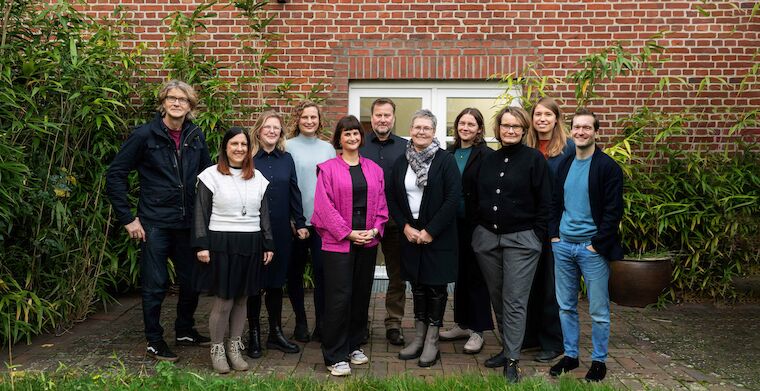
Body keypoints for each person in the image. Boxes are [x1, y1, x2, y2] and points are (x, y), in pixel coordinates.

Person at [106, 80, 211, 362]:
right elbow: (115, 174)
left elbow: (208, 178)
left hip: (188, 221)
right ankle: (154, 340)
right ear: (163, 103)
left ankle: (185, 330)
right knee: (155, 284)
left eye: (183, 100)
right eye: (171, 98)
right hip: (155, 222)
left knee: (191, 281)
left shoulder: (196, 136)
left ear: (190, 106)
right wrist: (128, 219)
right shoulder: (144, 135)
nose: (177, 103)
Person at [471, 106, 551, 382]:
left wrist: (536, 236)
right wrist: (478, 231)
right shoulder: (489, 160)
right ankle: (507, 349)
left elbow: (545, 202)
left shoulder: (534, 160)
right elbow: (476, 196)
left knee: (514, 299)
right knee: (498, 297)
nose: (511, 130)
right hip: (487, 239)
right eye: (506, 126)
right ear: (498, 129)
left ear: (524, 130)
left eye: (516, 127)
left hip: (522, 240)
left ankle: (514, 360)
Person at [548, 108, 624, 382]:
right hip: (564, 246)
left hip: (592, 250)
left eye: (587, 128)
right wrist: (554, 236)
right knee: (566, 306)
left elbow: (614, 212)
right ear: (571, 131)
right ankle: (570, 356)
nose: (581, 132)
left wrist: (596, 244)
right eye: (576, 127)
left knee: (598, 311)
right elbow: (555, 203)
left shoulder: (608, 167)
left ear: (596, 132)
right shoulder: (566, 164)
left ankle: (599, 361)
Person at [192, 127, 274, 374]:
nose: (239, 149)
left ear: (249, 150)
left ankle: (234, 347)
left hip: (250, 242)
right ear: (225, 147)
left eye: (244, 145)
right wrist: (202, 244)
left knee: (242, 299)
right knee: (224, 300)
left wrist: (268, 243)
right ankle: (217, 349)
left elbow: (264, 214)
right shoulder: (210, 176)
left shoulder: (257, 177)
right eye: (234, 144)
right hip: (221, 243)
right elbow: (200, 212)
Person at [311, 115, 389, 376]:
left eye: (356, 133)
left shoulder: (374, 170)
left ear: (361, 137)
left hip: (367, 241)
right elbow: (324, 207)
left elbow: (381, 205)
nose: (352, 138)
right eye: (347, 134)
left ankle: (354, 344)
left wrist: (376, 229)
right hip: (338, 243)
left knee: (360, 296)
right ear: (339, 139)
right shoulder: (328, 168)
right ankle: (334, 355)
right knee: (338, 299)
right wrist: (348, 233)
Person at [387, 109, 461, 368]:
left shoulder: (445, 160)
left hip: (438, 235)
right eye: (417, 127)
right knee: (417, 285)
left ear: (434, 132)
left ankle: (432, 341)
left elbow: (453, 199)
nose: (421, 132)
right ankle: (418, 338)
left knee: (435, 288)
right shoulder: (401, 161)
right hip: (410, 233)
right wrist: (405, 226)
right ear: (411, 129)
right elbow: (392, 197)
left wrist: (431, 230)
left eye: (426, 128)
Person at [247, 111, 308, 358]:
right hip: (253, 230)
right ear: (258, 131)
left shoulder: (287, 159)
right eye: (267, 127)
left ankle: (275, 333)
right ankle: (253, 335)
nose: (272, 131)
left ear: (281, 133)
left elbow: (294, 192)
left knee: (275, 285)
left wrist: (300, 222)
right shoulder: (248, 158)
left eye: (276, 128)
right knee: (254, 284)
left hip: (282, 229)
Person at [520, 97, 574, 363]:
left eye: (547, 114)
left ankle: (553, 341)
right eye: (537, 114)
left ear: (556, 118)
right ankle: (529, 337)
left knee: (552, 286)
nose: (542, 119)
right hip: (528, 226)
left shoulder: (569, 149)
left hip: (557, 226)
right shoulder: (525, 146)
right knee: (529, 283)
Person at [439, 108, 494, 354]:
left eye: (472, 124)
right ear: (456, 126)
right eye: (462, 123)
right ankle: (462, 323)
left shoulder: (486, 155)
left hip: (476, 224)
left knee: (476, 276)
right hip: (452, 224)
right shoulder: (448, 154)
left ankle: (478, 330)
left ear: (479, 129)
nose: (466, 128)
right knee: (459, 274)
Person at [285, 101, 336, 342]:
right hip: (296, 221)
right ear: (297, 119)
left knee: (323, 274)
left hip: (322, 224)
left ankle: (322, 324)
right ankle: (300, 322)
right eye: (304, 117)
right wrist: (292, 220)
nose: (309, 121)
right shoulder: (287, 147)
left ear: (319, 120)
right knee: (294, 274)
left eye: (313, 117)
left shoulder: (327, 149)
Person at [358, 98, 408, 346]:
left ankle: (394, 323)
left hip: (396, 221)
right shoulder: (359, 145)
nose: (382, 120)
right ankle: (361, 323)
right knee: (362, 274)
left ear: (393, 118)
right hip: (365, 221)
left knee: (397, 275)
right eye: (378, 115)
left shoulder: (405, 147)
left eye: (387, 115)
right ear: (372, 116)